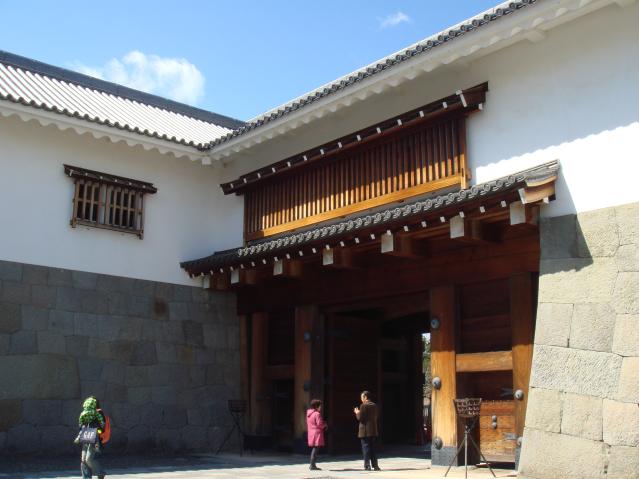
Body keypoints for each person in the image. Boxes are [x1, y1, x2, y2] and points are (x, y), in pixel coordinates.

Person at [76, 396, 107, 479]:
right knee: (83, 460)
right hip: (86, 436)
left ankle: (101, 472)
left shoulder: (98, 413)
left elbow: (102, 427)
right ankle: (87, 478)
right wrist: (83, 426)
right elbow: (80, 425)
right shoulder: (85, 413)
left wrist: (96, 430)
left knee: (89, 459)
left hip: (95, 439)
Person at [353, 390, 380, 471]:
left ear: (365, 397)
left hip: (365, 431)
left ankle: (367, 466)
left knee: (366, 448)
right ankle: (375, 466)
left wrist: (357, 413)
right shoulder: (374, 405)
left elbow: (361, 418)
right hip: (373, 430)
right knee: (372, 448)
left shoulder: (363, 406)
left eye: (362, 397)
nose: (361, 399)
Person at [306, 398, 328, 470]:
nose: (321, 407)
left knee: (314, 449)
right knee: (315, 449)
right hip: (317, 434)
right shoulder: (317, 414)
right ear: (316, 406)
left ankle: (312, 465)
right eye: (320, 406)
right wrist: (325, 424)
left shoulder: (309, 414)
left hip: (311, 433)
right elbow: (319, 424)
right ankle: (312, 465)